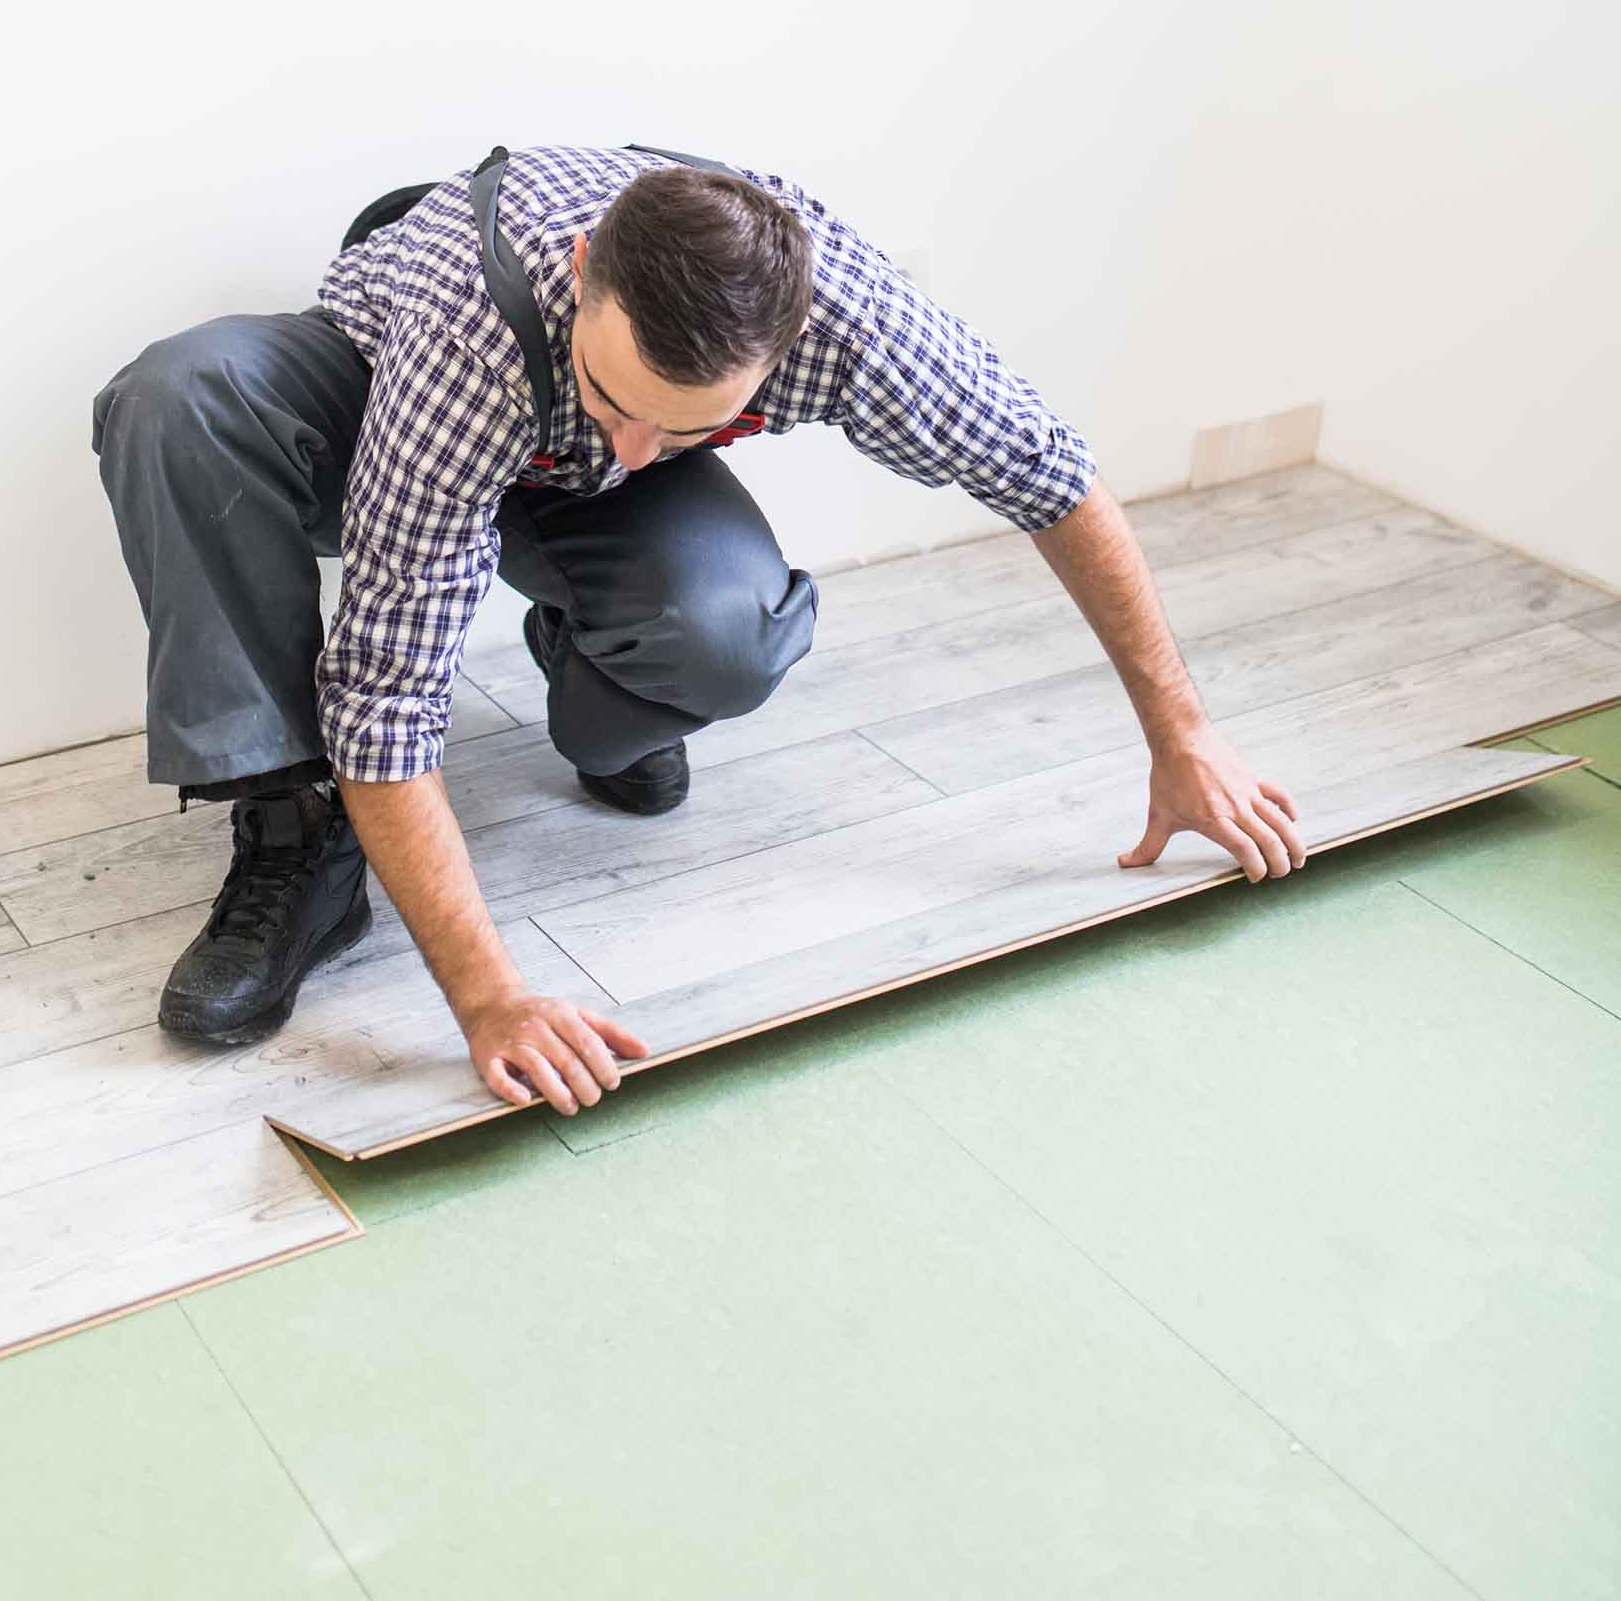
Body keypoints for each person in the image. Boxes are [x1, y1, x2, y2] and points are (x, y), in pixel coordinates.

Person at [91, 144, 1304, 1119]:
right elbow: (386, 690)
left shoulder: (852, 317)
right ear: (583, 269)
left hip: (543, 439)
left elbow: (1050, 475)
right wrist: (489, 997)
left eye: (680, 426)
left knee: (724, 634)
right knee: (181, 394)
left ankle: (602, 674)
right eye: (620, 399)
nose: (632, 452)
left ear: (784, 348)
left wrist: (1182, 737)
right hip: (378, 405)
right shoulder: (470, 337)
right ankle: (298, 838)